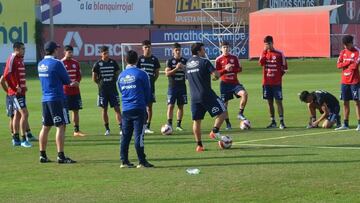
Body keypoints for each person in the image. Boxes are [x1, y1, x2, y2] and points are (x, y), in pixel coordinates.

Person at [37, 41, 78, 163]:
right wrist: (73, 83)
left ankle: (42, 155)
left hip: (45, 98)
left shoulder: (40, 64)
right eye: (57, 49)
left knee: (45, 127)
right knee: (61, 126)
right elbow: (66, 80)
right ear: (54, 50)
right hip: (57, 98)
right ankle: (61, 156)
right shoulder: (57, 63)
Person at [185, 42, 227, 152]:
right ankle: (214, 131)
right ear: (199, 51)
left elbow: (189, 78)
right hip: (206, 94)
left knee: (197, 121)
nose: (205, 51)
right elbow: (216, 75)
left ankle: (199, 145)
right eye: (203, 49)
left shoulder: (188, 63)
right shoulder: (204, 61)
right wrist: (224, 70)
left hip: (194, 97)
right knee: (223, 111)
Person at [118, 50, 154, 168]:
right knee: (139, 136)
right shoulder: (142, 74)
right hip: (139, 109)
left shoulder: (121, 76)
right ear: (137, 60)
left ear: (125, 60)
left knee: (125, 136)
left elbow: (121, 90)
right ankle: (142, 161)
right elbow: (148, 93)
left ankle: (124, 161)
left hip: (126, 110)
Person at [2, 42, 36, 148]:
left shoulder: (20, 59)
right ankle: (23, 139)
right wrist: (13, 88)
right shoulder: (12, 58)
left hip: (21, 92)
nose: (24, 50)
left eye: (24, 49)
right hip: (16, 94)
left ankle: (16, 139)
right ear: (16, 49)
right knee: (25, 114)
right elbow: (6, 75)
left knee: (18, 115)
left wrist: (23, 87)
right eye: (22, 49)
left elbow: (17, 76)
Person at [215, 41, 248, 130]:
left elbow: (240, 69)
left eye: (227, 47)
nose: (225, 49)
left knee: (244, 94)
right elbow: (216, 74)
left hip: (235, 83)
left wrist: (232, 68)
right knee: (224, 105)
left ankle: (240, 113)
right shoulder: (218, 60)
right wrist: (225, 69)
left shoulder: (234, 57)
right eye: (224, 47)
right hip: (225, 84)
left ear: (229, 48)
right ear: (221, 49)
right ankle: (228, 124)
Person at [92, 46, 122, 136]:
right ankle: (107, 129)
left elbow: (117, 74)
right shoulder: (98, 64)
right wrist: (101, 84)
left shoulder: (113, 63)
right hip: (103, 91)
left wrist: (112, 82)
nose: (106, 55)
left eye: (107, 53)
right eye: (104, 53)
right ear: (101, 54)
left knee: (117, 109)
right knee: (104, 109)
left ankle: (121, 128)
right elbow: (94, 78)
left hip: (113, 90)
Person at [259, 35, 288, 129]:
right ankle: (273, 121)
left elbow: (284, 68)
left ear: (272, 43)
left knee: (278, 101)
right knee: (269, 102)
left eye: (268, 44)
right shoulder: (264, 53)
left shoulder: (279, 54)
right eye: (265, 44)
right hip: (266, 83)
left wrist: (278, 76)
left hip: (276, 83)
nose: (267, 46)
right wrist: (264, 52)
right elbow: (261, 63)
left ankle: (282, 121)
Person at [335, 35, 360, 131]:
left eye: (347, 44)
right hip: (344, 81)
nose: (345, 46)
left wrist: (346, 64)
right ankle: (345, 124)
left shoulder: (357, 51)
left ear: (351, 43)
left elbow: (355, 66)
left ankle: (359, 123)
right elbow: (338, 65)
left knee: (357, 102)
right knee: (345, 102)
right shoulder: (343, 52)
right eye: (344, 45)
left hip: (355, 81)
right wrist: (348, 63)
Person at [137, 40, 161, 134]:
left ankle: (147, 126)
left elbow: (157, 73)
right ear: (142, 48)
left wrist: (151, 81)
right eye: (146, 47)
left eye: (149, 47)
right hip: (140, 88)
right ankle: (140, 125)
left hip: (151, 87)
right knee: (141, 106)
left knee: (149, 107)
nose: (148, 49)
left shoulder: (154, 59)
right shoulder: (139, 59)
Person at [62, 45, 85, 137]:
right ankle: (62, 131)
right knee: (65, 111)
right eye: (69, 52)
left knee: (76, 110)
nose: (70, 53)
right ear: (65, 52)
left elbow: (79, 75)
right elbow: (60, 77)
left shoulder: (76, 62)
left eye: (71, 52)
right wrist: (68, 84)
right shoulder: (61, 63)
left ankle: (76, 130)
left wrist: (77, 82)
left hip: (75, 91)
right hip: (65, 92)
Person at [164, 43, 187, 131]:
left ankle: (178, 125)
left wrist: (183, 67)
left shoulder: (185, 60)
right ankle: (169, 124)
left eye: (179, 50)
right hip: (172, 87)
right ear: (173, 51)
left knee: (181, 106)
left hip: (182, 87)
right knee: (170, 105)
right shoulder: (169, 61)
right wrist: (177, 68)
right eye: (176, 50)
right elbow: (167, 74)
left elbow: (189, 71)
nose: (177, 52)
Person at [0, 66, 15, 144]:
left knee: (22, 115)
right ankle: (14, 136)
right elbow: (2, 80)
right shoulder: (9, 69)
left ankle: (27, 134)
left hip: (18, 95)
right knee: (12, 116)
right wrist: (7, 91)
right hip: (11, 96)